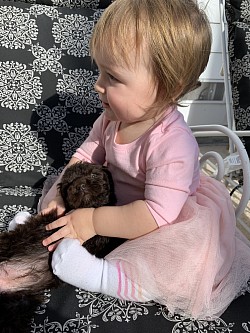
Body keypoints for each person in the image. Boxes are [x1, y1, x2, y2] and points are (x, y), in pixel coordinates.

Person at [39, 0, 250, 319]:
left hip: (163, 218)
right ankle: (43, 236)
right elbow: (84, 155)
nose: (98, 85)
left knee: (175, 262)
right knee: (74, 200)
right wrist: (57, 194)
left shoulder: (173, 142)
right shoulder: (111, 119)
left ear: (167, 86)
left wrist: (93, 221)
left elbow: (155, 214)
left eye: (113, 77)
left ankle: (106, 277)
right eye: (99, 70)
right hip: (118, 206)